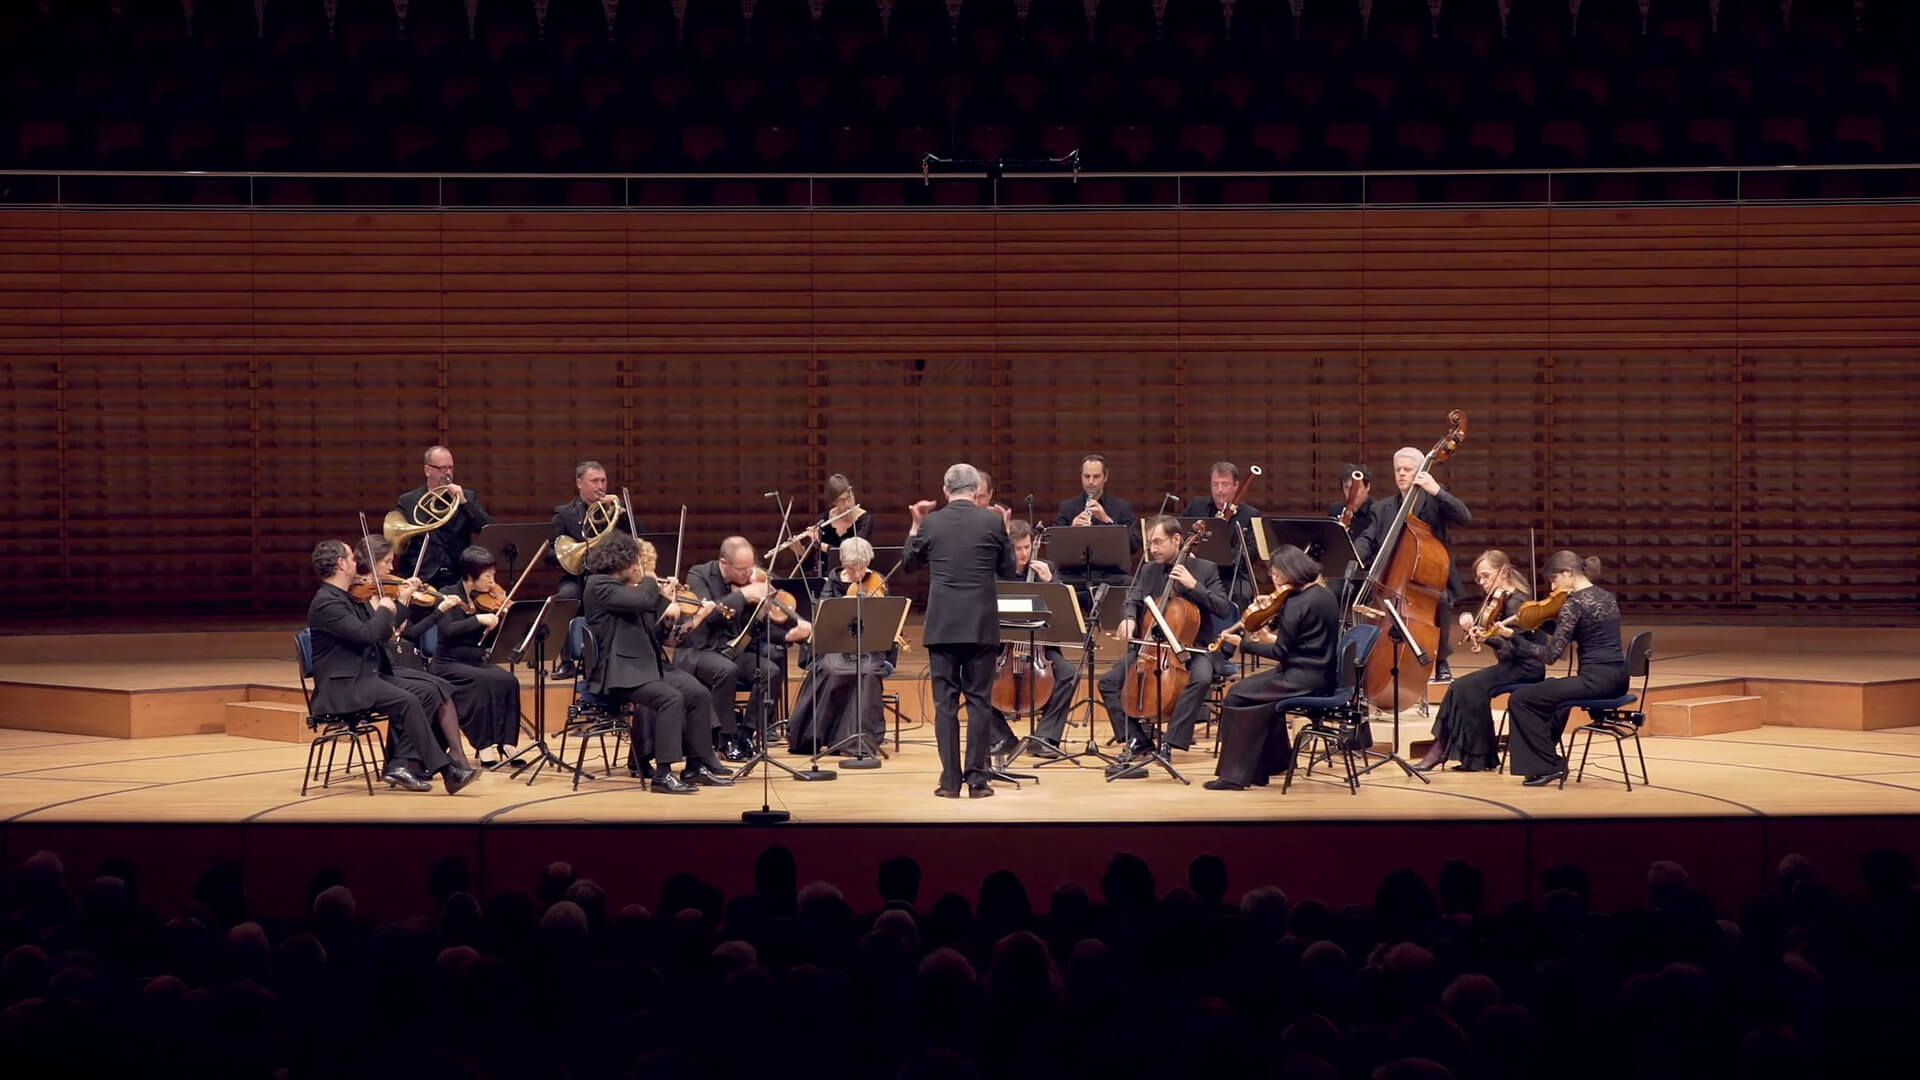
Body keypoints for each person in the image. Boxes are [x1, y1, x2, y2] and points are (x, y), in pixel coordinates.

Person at [306, 540, 475, 794]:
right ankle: (448, 770)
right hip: (344, 685)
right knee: (407, 700)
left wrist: (398, 606)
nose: (356, 562)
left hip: (366, 674)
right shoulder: (327, 603)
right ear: (341, 564)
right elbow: (367, 635)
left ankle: (399, 764)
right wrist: (385, 609)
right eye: (351, 558)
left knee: (428, 692)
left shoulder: (352, 595)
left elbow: (383, 633)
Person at [580, 534, 732, 793]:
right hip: (619, 671)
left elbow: (657, 630)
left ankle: (696, 766)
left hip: (646, 666)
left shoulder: (632, 591)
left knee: (698, 694)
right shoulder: (598, 585)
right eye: (635, 563)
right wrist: (651, 582)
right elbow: (642, 601)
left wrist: (667, 601)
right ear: (620, 563)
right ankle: (663, 775)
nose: (638, 569)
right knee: (670, 698)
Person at [905, 464, 1018, 798]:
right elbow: (1008, 571)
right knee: (980, 703)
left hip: (942, 626)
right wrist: (1005, 535)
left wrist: (915, 525)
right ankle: (978, 782)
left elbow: (910, 565)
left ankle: (950, 782)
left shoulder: (932, 522)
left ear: (945, 490)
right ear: (975, 489)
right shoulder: (992, 521)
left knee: (946, 706)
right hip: (981, 625)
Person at [1098, 515, 1234, 776]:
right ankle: (1138, 740)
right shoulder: (1150, 570)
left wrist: (1194, 586)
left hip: (1194, 647)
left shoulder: (1205, 569)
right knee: (1109, 682)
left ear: (1177, 540)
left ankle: (1171, 742)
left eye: (1159, 542)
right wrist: (1128, 619)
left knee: (1202, 678)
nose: (1153, 549)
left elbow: (1223, 607)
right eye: (1150, 543)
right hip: (1152, 648)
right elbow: (1132, 600)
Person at [1206, 545, 1342, 790]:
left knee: (1236, 695)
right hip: (1322, 675)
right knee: (1258, 698)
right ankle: (1278, 762)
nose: (1274, 580)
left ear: (1289, 572)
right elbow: (1301, 639)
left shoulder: (1295, 604)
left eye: (1276, 574)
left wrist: (1245, 644)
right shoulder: (1324, 595)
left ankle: (1234, 776)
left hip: (1299, 679)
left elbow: (1280, 652)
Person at [677, 536, 813, 760]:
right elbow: (708, 618)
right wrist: (742, 595)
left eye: (751, 567)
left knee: (770, 671)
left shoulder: (750, 581)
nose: (748, 574)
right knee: (725, 670)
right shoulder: (699, 575)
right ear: (724, 564)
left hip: (733, 651)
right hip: (700, 651)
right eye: (742, 569)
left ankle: (747, 733)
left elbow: (759, 629)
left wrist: (789, 634)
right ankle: (725, 739)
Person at [354, 537, 478, 774]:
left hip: (390, 663)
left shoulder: (386, 591)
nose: (392, 568)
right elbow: (381, 635)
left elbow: (407, 632)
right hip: (378, 668)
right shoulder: (362, 596)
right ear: (371, 562)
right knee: (428, 691)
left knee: (443, 687)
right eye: (387, 562)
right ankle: (411, 762)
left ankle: (454, 756)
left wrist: (429, 607)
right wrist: (402, 601)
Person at [1416, 550, 1547, 773]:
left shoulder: (1517, 603)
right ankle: (1466, 755)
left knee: (1463, 686)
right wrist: (1476, 630)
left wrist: (1488, 638)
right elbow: (1498, 641)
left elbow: (1515, 649)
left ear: (1503, 572)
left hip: (1526, 668)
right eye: (1479, 578)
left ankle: (1447, 751)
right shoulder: (1501, 600)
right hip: (1511, 665)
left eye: (1486, 576)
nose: (1482, 582)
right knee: (1464, 688)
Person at [1506, 551, 1626, 787]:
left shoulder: (1575, 604)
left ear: (1567, 573)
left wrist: (1515, 638)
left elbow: (1550, 656)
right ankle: (1543, 761)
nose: (1552, 587)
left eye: (1554, 579)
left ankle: (1550, 765)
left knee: (1521, 699)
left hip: (1595, 682)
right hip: (1618, 679)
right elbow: (1583, 632)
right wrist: (1544, 623)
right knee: (1551, 693)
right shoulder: (1606, 596)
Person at [1354, 446, 1472, 682]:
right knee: (1368, 602)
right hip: (1392, 580)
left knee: (1438, 600)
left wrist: (1436, 490)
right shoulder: (1382, 508)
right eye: (1398, 469)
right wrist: (1354, 554)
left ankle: (1440, 661)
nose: (1401, 474)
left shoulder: (1433, 500)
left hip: (1430, 578)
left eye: (1407, 469)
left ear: (1420, 471)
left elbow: (1464, 517)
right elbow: (1368, 539)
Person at [785, 537, 895, 756]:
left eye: (863, 567)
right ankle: (824, 734)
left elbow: (887, 620)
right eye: (854, 568)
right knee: (832, 670)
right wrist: (846, 603)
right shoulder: (832, 583)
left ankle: (858, 739)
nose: (859, 573)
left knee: (868, 672)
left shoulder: (877, 580)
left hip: (868, 649)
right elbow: (824, 621)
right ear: (845, 565)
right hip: (836, 648)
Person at [985, 519, 1080, 761]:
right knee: (971, 674)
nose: (1024, 553)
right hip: (1003, 647)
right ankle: (1002, 738)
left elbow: (1062, 608)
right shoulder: (995, 572)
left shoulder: (1045, 568)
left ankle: (1045, 738)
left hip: (1041, 648)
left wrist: (1051, 582)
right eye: (1018, 549)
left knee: (1069, 674)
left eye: (1027, 547)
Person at [429, 545, 530, 766]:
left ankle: (508, 744)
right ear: (470, 575)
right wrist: (478, 620)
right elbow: (447, 630)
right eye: (487, 576)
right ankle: (483, 746)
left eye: (493, 576)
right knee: (483, 682)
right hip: (448, 663)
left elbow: (492, 640)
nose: (492, 582)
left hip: (475, 660)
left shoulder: (486, 600)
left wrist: (503, 621)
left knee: (509, 680)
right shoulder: (446, 594)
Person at [553, 460, 646, 678]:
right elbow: (552, 553)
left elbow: (639, 535)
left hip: (610, 575)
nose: (601, 486)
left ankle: (620, 656)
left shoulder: (616, 510)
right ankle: (567, 661)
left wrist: (623, 512)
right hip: (577, 576)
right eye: (594, 481)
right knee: (566, 597)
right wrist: (580, 552)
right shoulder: (564, 513)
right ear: (579, 483)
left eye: (603, 480)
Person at [393, 445, 492, 590]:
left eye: (451, 468)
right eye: (442, 468)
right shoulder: (408, 501)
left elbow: (485, 528)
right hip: (423, 578)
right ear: (427, 470)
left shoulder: (467, 497)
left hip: (458, 577)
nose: (448, 473)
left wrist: (464, 502)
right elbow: (398, 541)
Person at [1183, 461, 1263, 606]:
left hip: (1231, 575)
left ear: (1236, 486)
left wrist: (1221, 553)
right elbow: (1180, 533)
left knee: (1242, 594)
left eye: (1225, 484)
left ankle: (1235, 629)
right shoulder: (1196, 506)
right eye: (1215, 484)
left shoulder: (1251, 514)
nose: (1219, 490)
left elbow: (1252, 552)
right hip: (1197, 572)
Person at [779, 473, 872, 579]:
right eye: (842, 500)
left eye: (849, 498)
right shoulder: (824, 519)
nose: (847, 504)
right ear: (834, 502)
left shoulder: (864, 520)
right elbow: (813, 556)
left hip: (850, 576)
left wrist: (820, 544)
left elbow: (853, 554)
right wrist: (800, 551)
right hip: (825, 576)